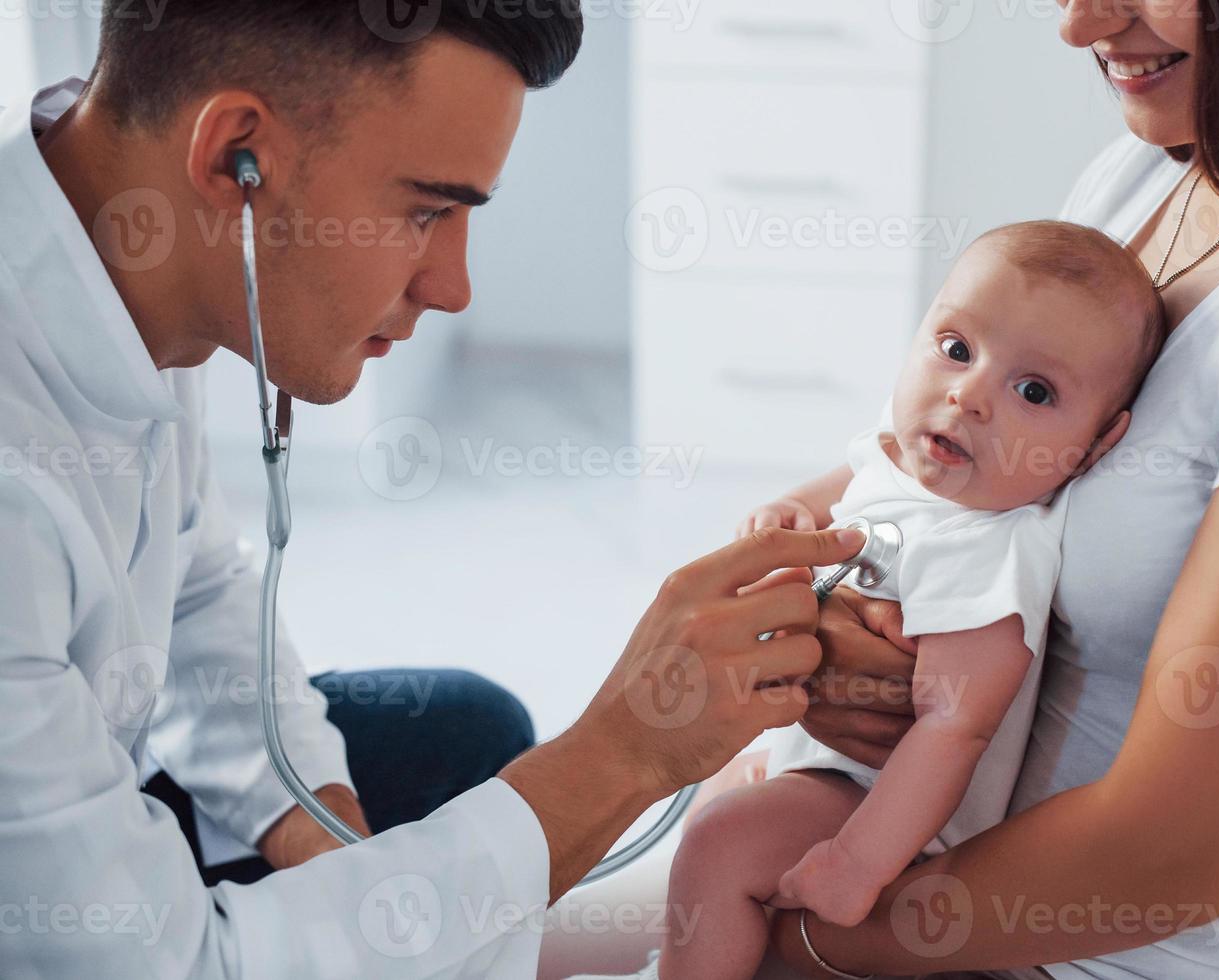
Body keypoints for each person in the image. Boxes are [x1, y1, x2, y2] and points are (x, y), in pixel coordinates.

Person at [553, 2, 1219, 978]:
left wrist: (810, 937)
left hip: (1132, 954)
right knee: (484, 939)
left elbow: (1183, 849)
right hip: (932, 856)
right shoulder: (1142, 179)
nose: (1080, 26)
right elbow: (937, 483)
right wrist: (839, 654)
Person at [0, 2, 872, 977]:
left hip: (78, 775)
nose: (454, 285)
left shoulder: (124, 256)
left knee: (465, 730)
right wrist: (623, 751)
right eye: (425, 210)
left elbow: (198, 596)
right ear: (233, 156)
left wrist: (322, 837)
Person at [606, 223, 1166, 980]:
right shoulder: (907, 457)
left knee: (720, 844)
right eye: (957, 349)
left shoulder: (989, 548)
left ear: (1097, 445)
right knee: (714, 802)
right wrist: (790, 513)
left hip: (893, 817)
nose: (968, 396)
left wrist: (857, 863)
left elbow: (955, 726)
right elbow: (851, 486)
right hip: (825, 768)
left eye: (1033, 391)